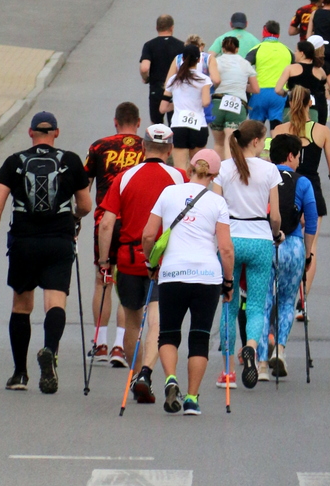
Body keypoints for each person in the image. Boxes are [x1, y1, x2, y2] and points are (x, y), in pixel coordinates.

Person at [0, 111, 92, 393]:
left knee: (22, 306)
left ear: (30, 133)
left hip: (24, 242)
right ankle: (50, 351)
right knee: (55, 302)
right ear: (56, 133)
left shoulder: (14, 162)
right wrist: (75, 219)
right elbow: (85, 205)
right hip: (59, 241)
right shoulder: (69, 160)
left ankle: (20, 374)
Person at [141, 147, 233, 415]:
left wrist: (151, 263)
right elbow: (226, 249)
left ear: (191, 168)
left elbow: (149, 236)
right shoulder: (218, 202)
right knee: (199, 336)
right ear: (214, 175)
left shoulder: (169, 192)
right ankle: (192, 398)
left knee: (168, 332)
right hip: (207, 277)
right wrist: (228, 283)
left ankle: (171, 379)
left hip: (172, 273)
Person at [98, 124, 184, 402]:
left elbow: (106, 224)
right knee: (157, 322)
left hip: (129, 259)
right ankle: (147, 371)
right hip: (164, 260)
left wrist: (103, 261)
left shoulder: (124, 177)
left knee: (132, 320)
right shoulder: (179, 177)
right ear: (170, 150)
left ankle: (135, 375)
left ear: (143, 147)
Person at [218, 121, 283, 385]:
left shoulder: (224, 168)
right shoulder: (269, 169)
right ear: (256, 141)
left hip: (231, 238)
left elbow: (216, 205)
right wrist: (275, 233)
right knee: (256, 304)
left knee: (228, 305)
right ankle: (252, 349)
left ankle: (227, 371)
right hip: (259, 239)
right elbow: (275, 216)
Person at [85, 103, 145, 364]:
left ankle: (100, 343)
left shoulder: (99, 147)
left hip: (105, 220)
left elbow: (84, 187)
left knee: (104, 279)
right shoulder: (146, 147)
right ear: (139, 122)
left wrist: (78, 217)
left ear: (115, 121)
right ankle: (121, 345)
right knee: (128, 280)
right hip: (135, 222)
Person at [267, 87, 330, 299]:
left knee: (279, 236)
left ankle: (277, 288)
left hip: (283, 187)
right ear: (310, 104)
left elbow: (271, 161)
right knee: (311, 244)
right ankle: (303, 298)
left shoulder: (279, 130)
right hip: (311, 188)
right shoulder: (322, 131)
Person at [266, 137, 319, 379]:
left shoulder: (262, 176)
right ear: (290, 155)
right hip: (293, 245)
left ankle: (259, 357)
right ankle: (280, 348)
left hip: (265, 244)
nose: (298, 160)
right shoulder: (303, 182)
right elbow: (312, 220)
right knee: (287, 300)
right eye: (298, 156)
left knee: (263, 298)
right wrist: (308, 253)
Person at [161, 43, 212, 170]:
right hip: (198, 125)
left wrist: (178, 104)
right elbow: (206, 102)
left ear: (182, 59)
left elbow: (163, 107)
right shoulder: (204, 79)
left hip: (179, 125)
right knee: (198, 169)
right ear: (199, 60)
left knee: (180, 168)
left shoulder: (173, 79)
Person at [209, 36, 257, 158]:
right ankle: (229, 173)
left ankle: (217, 174)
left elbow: (211, 81)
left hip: (217, 102)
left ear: (222, 48)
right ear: (237, 49)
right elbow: (255, 89)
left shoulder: (215, 61)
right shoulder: (245, 64)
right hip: (237, 104)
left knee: (219, 144)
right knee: (231, 144)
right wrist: (241, 86)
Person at [246, 22, 294, 125]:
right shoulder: (288, 51)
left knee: (256, 130)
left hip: (259, 93)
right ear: (278, 34)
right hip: (279, 94)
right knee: (277, 129)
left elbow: (244, 67)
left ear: (264, 31)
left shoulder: (256, 49)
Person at [139, 15, 180, 127]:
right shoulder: (181, 46)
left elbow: (144, 67)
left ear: (157, 27)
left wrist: (145, 78)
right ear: (172, 28)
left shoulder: (149, 46)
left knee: (156, 126)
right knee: (175, 125)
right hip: (175, 91)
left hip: (156, 89)